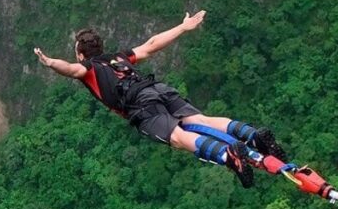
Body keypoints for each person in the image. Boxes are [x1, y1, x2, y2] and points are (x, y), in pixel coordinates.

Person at [33, 10, 286, 188]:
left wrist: (49, 63)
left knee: (177, 138)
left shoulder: (88, 69)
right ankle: (252, 135)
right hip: (157, 89)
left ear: (80, 54)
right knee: (200, 119)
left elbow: (70, 69)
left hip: (140, 105)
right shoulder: (119, 57)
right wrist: (183, 28)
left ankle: (228, 155)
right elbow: (151, 45)